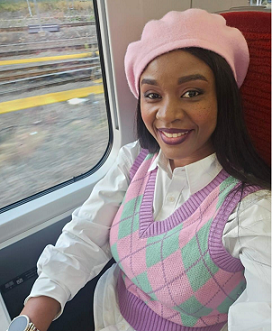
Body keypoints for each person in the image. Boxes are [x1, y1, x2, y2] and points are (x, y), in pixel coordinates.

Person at [9, 8, 271, 331]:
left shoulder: (250, 211)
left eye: (192, 93)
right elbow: (85, 237)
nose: (168, 114)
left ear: (223, 98)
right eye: (153, 95)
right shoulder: (134, 160)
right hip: (105, 314)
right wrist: (32, 316)